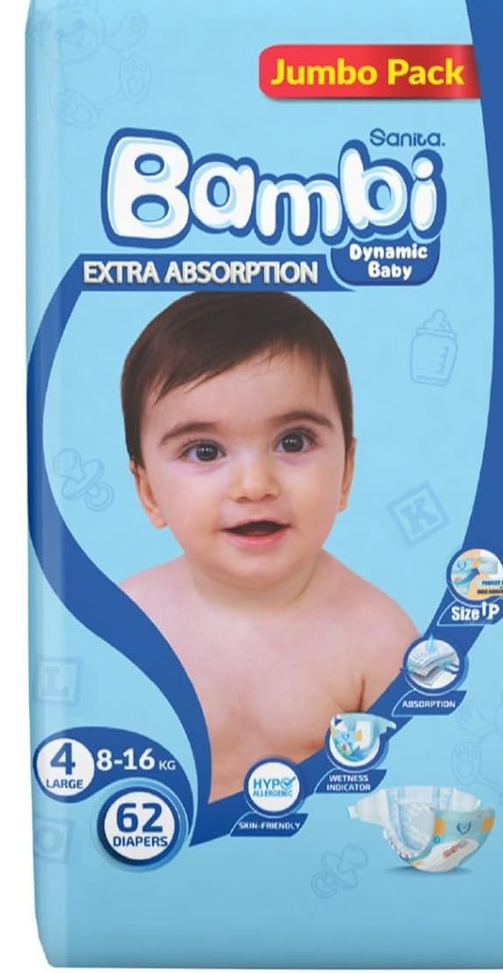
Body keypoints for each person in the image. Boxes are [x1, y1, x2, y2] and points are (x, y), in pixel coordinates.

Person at [119, 292, 418, 801]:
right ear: (149, 493)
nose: (255, 485)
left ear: (346, 473)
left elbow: (409, 789)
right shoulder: (128, 623)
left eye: (293, 442)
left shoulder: (378, 640)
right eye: (205, 451)